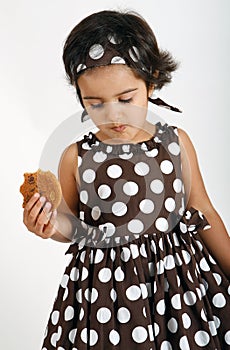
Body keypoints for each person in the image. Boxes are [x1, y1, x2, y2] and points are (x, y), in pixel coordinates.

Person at [23, 9, 230, 350]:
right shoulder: (77, 156)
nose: (114, 114)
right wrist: (46, 224)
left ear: (150, 82)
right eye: (95, 104)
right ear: (80, 98)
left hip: (177, 288)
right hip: (105, 294)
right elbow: (68, 224)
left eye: (126, 99)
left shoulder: (176, 143)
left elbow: (203, 211)